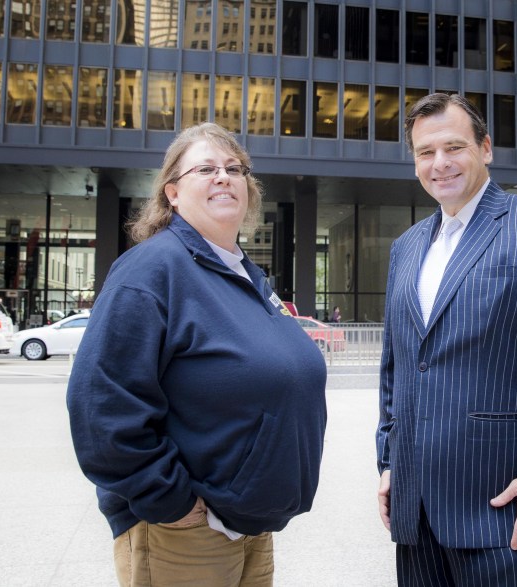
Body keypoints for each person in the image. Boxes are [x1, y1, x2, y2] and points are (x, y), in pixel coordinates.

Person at [66, 122, 327, 586]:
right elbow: (99, 406)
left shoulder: (243, 273)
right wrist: (175, 504)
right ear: (172, 192)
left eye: (234, 168)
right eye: (205, 169)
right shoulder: (151, 269)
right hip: (184, 533)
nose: (223, 176)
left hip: (248, 526)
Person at [376, 93, 517, 586]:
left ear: (486, 148)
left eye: (454, 147)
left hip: (501, 502)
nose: (440, 164)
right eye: (425, 152)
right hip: (415, 510)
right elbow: (397, 367)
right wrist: (390, 461)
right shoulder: (406, 247)